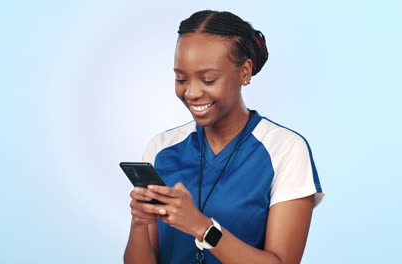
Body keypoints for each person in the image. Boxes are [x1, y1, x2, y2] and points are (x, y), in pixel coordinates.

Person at [124, 10, 324, 264]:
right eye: (181, 78)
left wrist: (203, 228)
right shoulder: (161, 148)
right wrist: (140, 224)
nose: (192, 92)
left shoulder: (285, 150)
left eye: (208, 79)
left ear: (244, 72)